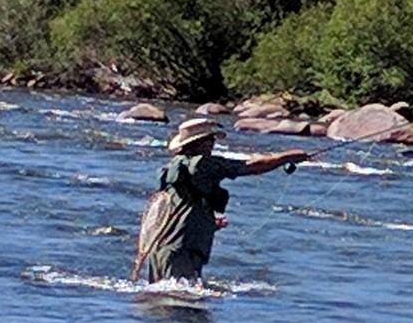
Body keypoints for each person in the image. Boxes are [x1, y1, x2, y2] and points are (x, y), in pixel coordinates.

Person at [132, 117, 308, 282]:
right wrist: (288, 157)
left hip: (161, 248)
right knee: (180, 304)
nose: (213, 144)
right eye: (210, 140)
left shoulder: (174, 167)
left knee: (159, 300)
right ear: (199, 143)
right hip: (182, 250)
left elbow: (179, 210)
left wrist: (207, 223)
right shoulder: (206, 164)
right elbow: (253, 166)